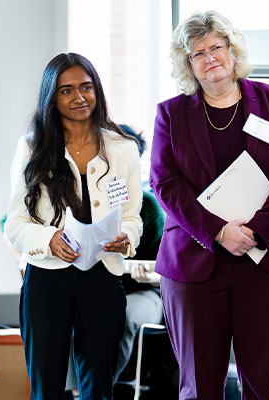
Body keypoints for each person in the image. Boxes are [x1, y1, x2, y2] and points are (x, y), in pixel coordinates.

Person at [149, 11, 269, 399]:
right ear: (187, 64)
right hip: (195, 263)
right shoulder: (171, 113)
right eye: (198, 53)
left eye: (216, 47)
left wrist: (256, 231)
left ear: (232, 50)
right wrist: (219, 231)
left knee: (265, 386)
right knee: (199, 388)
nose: (210, 58)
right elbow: (164, 182)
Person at [4, 53, 143, 400]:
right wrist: (49, 239)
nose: (79, 98)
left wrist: (129, 236)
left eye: (86, 87)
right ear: (52, 97)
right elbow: (15, 225)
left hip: (103, 277)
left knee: (99, 385)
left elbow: (132, 215)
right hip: (47, 279)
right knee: (46, 385)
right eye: (66, 91)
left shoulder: (123, 149)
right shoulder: (32, 148)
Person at [114, 125, 164, 383]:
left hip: (144, 292)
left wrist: (149, 274)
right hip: (101, 288)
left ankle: (97, 390)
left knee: (121, 317)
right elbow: (8, 222)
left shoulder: (150, 208)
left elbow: (165, 267)